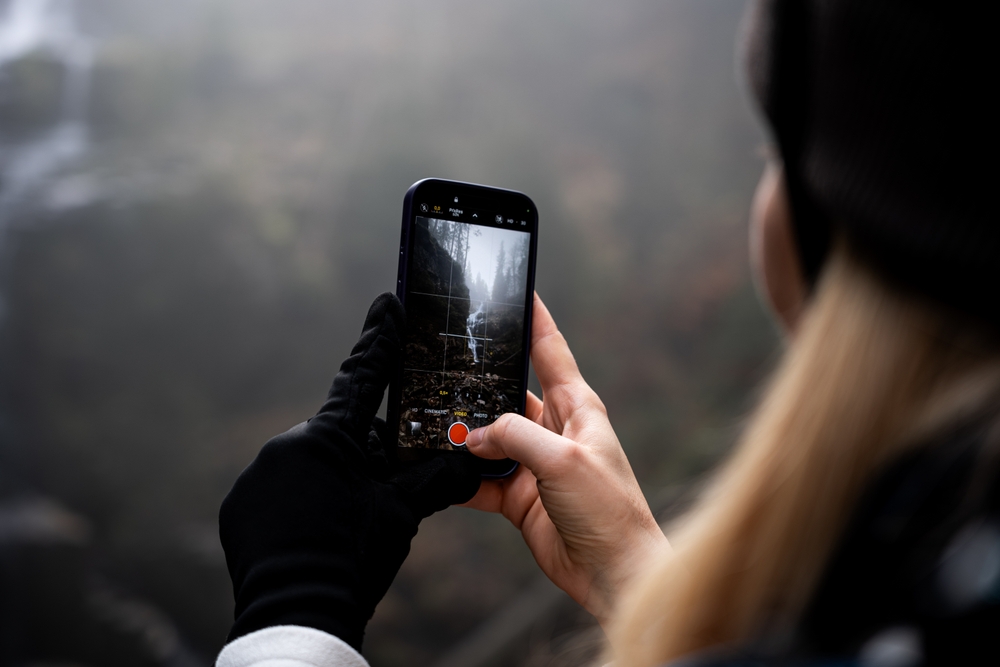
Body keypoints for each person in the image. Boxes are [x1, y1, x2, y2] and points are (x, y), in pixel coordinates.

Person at [215, 0, 999, 665]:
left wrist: (292, 618)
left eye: (772, 155)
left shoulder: (864, 612)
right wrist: (630, 569)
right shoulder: (943, 565)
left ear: (851, 218)